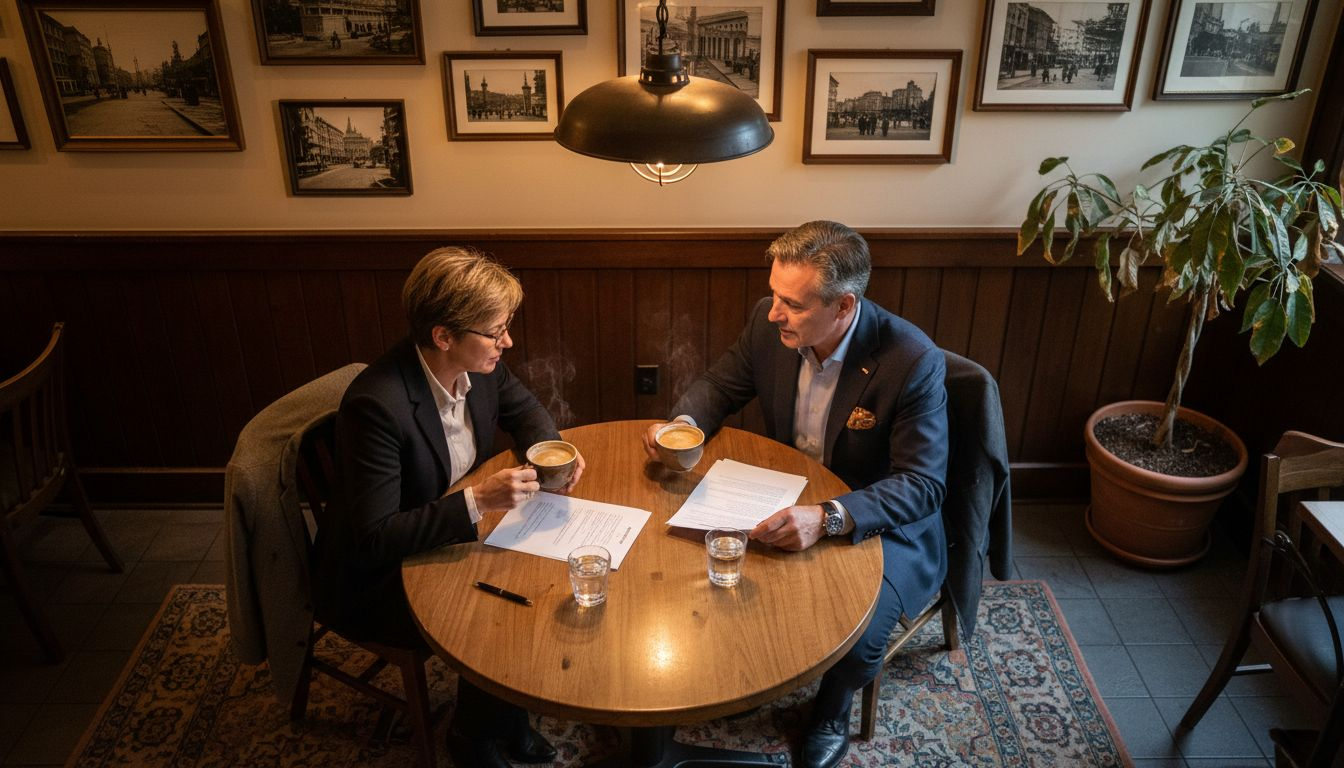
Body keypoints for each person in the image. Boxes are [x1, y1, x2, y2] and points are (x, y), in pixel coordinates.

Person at [641, 221, 947, 768]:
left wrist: (829, 518)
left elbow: (922, 485)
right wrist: (682, 425)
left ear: (844, 307)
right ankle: (747, 678)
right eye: (775, 295)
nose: (774, 312)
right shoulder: (768, 321)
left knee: (861, 633)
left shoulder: (911, 360)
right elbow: (719, 385)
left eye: (793, 304)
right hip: (782, 491)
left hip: (875, 519)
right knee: (699, 564)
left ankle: (830, 710)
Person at [313, 246, 584, 768]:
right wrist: (477, 501)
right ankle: (472, 736)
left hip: (441, 533)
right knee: (505, 604)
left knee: (532, 574)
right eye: (496, 331)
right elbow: (373, 539)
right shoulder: (378, 405)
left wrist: (552, 457)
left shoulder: (478, 366)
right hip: (376, 576)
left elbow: (526, 409)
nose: (508, 341)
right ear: (443, 336)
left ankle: (504, 718)